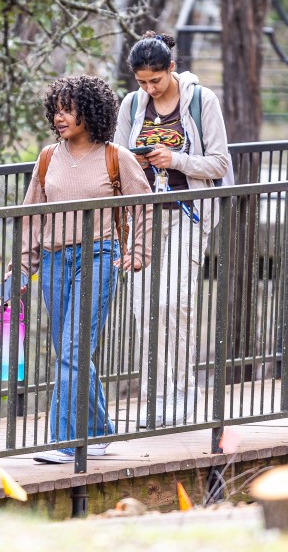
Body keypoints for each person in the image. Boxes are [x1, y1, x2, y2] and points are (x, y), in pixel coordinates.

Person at [10, 75, 152, 464]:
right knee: (71, 352)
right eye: (56, 108)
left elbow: (143, 204)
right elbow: (31, 218)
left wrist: (138, 252)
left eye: (69, 109)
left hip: (97, 257)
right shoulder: (46, 158)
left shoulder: (115, 156)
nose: (60, 116)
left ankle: (65, 443)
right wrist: (22, 268)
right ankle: (100, 429)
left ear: (90, 112)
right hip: (55, 261)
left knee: (73, 350)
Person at [113, 32, 232, 428]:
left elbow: (218, 163)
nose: (149, 89)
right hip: (144, 217)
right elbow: (116, 161)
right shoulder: (132, 105)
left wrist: (176, 160)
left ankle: (183, 393)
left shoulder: (202, 101)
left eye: (156, 81)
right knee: (144, 308)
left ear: (171, 69)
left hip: (189, 214)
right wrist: (138, 163)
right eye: (142, 82)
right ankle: (155, 398)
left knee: (173, 302)